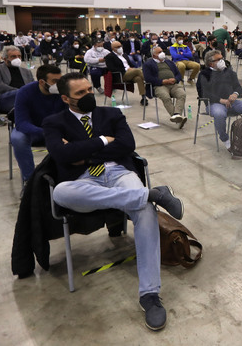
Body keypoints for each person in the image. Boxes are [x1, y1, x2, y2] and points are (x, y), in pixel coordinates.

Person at [42, 72, 184, 331]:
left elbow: (127, 145)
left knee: (145, 212)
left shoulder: (112, 114)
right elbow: (61, 154)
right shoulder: (54, 122)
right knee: (60, 192)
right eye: (80, 93)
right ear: (65, 98)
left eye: (89, 89)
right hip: (83, 182)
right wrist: (101, 141)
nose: (88, 95)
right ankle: (151, 193)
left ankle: (149, 294)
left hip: (119, 173)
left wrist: (82, 153)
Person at [11, 64, 65, 184]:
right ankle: (30, 181)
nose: (58, 84)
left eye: (60, 80)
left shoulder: (63, 91)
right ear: (42, 82)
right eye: (55, 81)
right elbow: (21, 122)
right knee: (18, 138)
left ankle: (65, 175)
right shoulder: (25, 92)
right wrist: (44, 132)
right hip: (33, 131)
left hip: (56, 129)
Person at [197, 50, 242, 151]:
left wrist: (235, 94)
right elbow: (204, 93)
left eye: (222, 58)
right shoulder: (204, 74)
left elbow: (238, 87)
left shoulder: (229, 72)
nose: (222, 61)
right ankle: (225, 139)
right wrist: (222, 100)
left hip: (232, 102)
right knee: (219, 114)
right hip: (214, 103)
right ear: (210, 63)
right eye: (219, 59)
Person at [143, 46, 187, 128]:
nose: (162, 53)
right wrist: (162, 81)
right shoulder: (148, 64)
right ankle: (177, 117)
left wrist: (175, 79)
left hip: (174, 85)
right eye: (159, 52)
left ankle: (176, 115)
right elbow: (148, 78)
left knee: (182, 94)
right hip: (159, 86)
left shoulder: (169, 62)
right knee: (165, 97)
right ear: (154, 55)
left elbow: (178, 74)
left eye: (162, 51)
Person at [0, 46, 34, 115]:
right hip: (4, 98)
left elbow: (32, 86)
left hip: (24, 97)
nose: (17, 59)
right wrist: (20, 92)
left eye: (19, 56)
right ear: (5, 59)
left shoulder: (26, 71)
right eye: (13, 56)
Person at [105, 41, 149, 106]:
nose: (120, 48)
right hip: (121, 75)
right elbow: (111, 68)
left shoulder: (124, 55)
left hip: (130, 73)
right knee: (137, 71)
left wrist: (131, 68)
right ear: (113, 48)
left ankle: (143, 97)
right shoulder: (109, 57)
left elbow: (130, 64)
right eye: (118, 47)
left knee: (139, 78)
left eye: (121, 46)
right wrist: (126, 69)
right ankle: (149, 81)